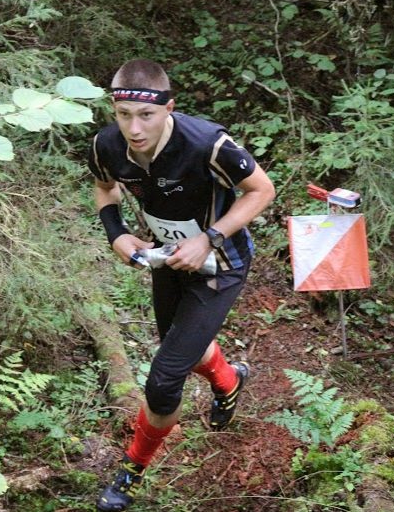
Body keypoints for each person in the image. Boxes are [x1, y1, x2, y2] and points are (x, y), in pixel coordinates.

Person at [88, 59, 276, 511]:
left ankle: (132, 469)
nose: (134, 128)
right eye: (123, 114)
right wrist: (117, 233)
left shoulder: (207, 144)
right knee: (182, 346)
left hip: (221, 264)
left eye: (146, 116)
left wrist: (209, 238)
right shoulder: (106, 144)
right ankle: (230, 382)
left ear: (168, 108)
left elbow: (262, 190)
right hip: (167, 260)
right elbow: (104, 188)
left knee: (164, 378)